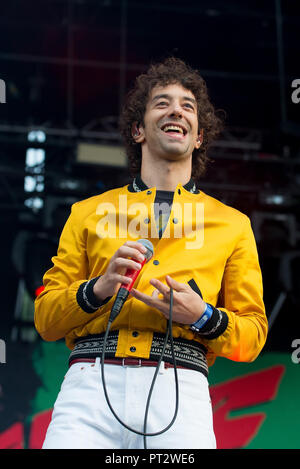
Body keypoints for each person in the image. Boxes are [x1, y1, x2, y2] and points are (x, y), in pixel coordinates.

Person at [34, 57, 268, 449]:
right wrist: (98, 288)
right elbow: (45, 319)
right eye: (162, 102)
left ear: (198, 138)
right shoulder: (87, 212)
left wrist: (205, 316)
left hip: (180, 386)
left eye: (187, 106)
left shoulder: (233, 224)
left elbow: (254, 334)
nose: (176, 109)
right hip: (89, 388)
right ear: (138, 130)